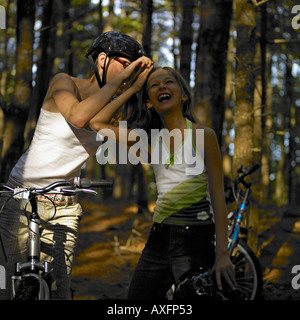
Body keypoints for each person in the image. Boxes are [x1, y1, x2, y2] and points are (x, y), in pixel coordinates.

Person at [0, 31, 153, 300]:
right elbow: (79, 117)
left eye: (133, 67)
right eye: (125, 63)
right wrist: (125, 83)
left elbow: (139, 142)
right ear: (102, 60)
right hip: (21, 197)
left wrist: (136, 90)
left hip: (65, 205)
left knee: (60, 289)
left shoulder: (116, 111)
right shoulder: (64, 83)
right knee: (9, 287)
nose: (129, 71)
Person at [89, 66, 235, 299]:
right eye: (154, 86)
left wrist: (222, 253)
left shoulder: (203, 135)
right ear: (149, 102)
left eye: (169, 82)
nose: (162, 87)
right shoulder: (147, 139)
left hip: (196, 239)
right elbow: (96, 122)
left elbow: (218, 196)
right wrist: (134, 88)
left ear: (183, 95)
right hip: (159, 239)